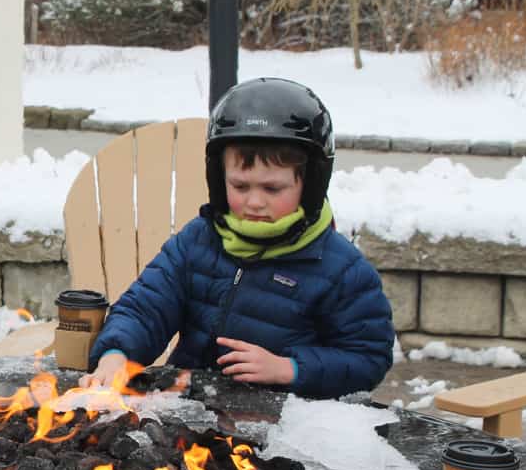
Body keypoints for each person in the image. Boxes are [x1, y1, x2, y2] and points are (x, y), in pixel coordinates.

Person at [82, 77, 394, 398]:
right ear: (219, 181)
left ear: (311, 184)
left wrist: (291, 368)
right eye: (240, 186)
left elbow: (368, 358)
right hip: (190, 410)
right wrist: (116, 353)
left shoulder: (341, 268)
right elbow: (145, 308)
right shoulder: (199, 240)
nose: (254, 202)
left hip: (287, 426)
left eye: (272, 188)